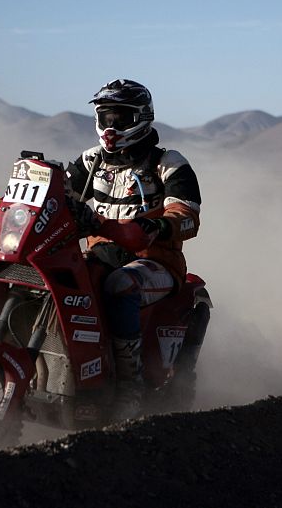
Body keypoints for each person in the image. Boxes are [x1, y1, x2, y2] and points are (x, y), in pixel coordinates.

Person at [65, 79, 202, 419]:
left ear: (142, 117)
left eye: (120, 118)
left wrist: (157, 226)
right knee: (59, 282)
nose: (111, 127)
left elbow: (188, 216)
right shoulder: (90, 161)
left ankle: (131, 387)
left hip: (154, 262)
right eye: (105, 117)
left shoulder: (167, 162)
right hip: (101, 256)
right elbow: (60, 193)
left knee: (120, 286)